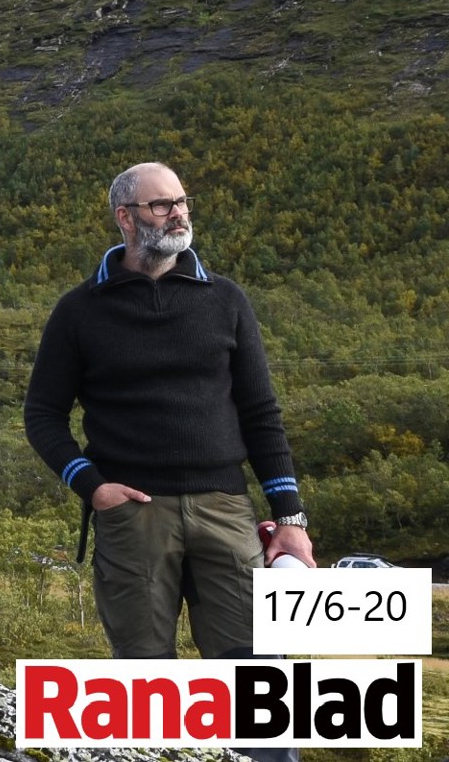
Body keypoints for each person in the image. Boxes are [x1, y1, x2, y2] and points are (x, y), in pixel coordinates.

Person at [24, 162, 316, 666]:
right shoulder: (79, 310)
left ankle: (259, 751)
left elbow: (261, 413)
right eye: (162, 205)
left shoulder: (225, 300)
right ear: (126, 217)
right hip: (132, 514)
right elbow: (42, 414)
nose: (178, 214)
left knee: (257, 666)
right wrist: (92, 486)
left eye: (182, 202)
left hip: (224, 508)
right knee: (143, 674)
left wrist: (290, 517)